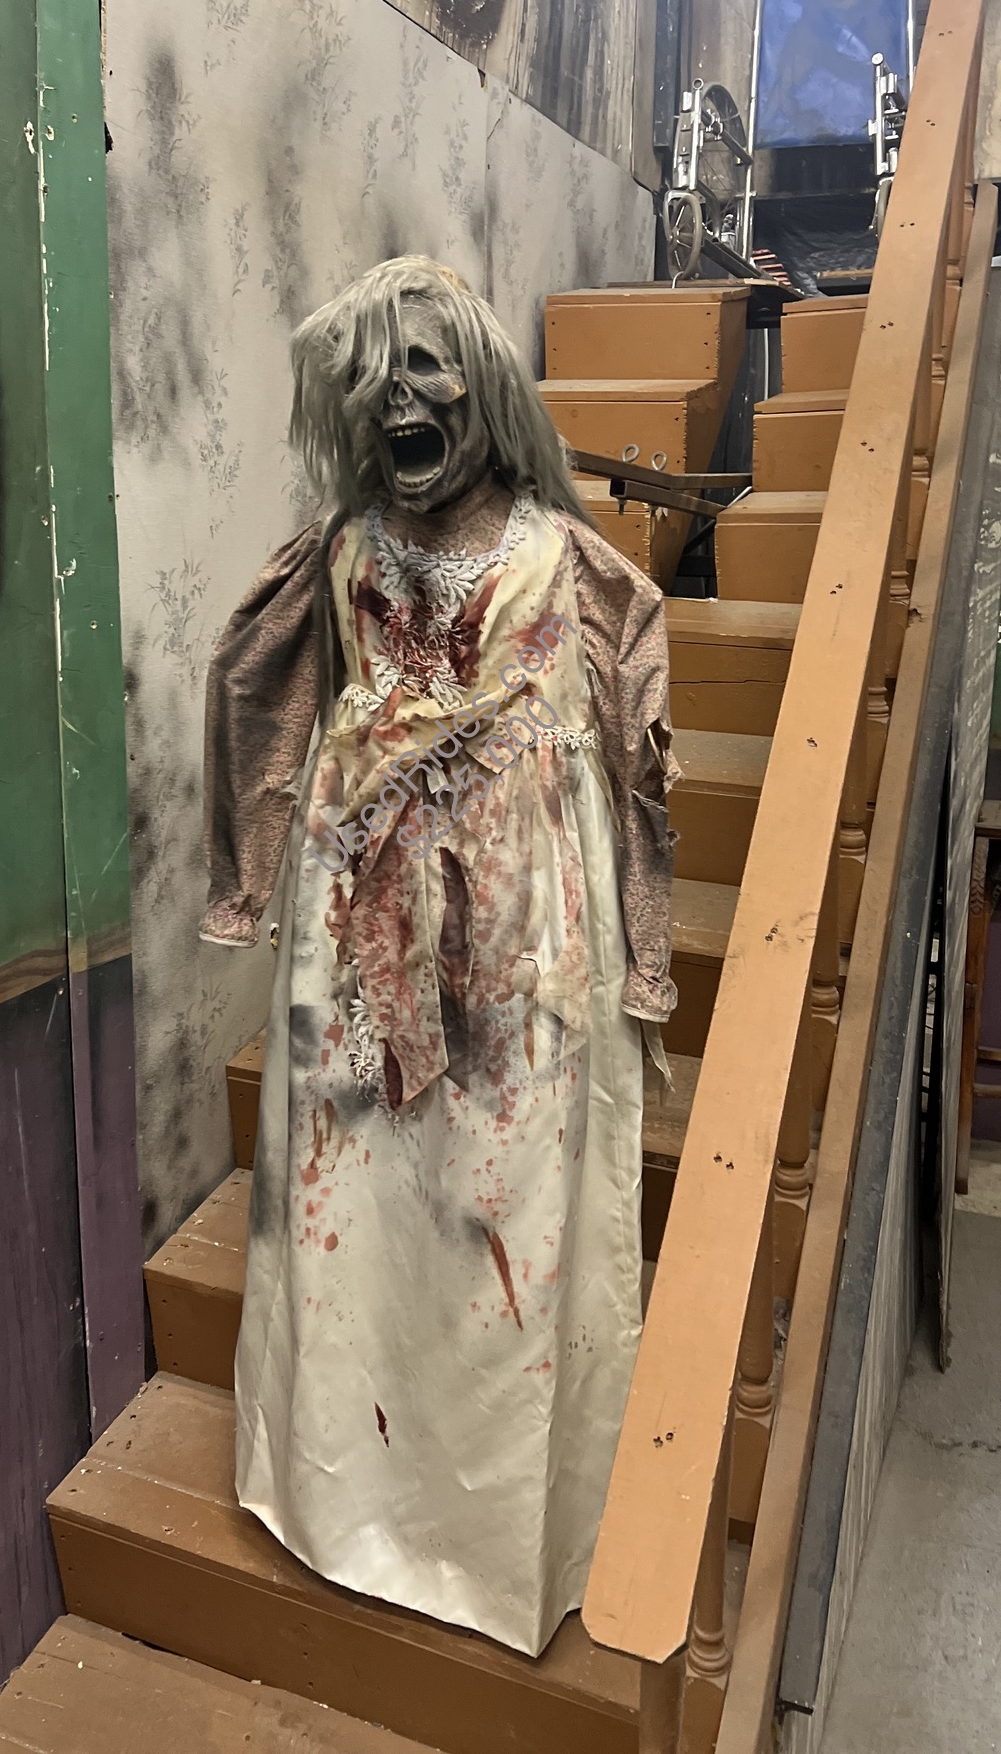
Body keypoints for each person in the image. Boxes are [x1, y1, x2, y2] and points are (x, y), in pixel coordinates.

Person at [200, 256, 676, 1655]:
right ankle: (341, 1491)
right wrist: (249, 886)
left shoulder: (570, 570)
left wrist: (646, 953)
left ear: (490, 386)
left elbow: (641, 766)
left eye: (427, 369)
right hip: (357, 947)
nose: (400, 402)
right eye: (373, 380)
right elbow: (255, 700)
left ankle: (490, 1536)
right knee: (357, 1213)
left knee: (509, 1220)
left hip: (525, 959)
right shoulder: (337, 560)